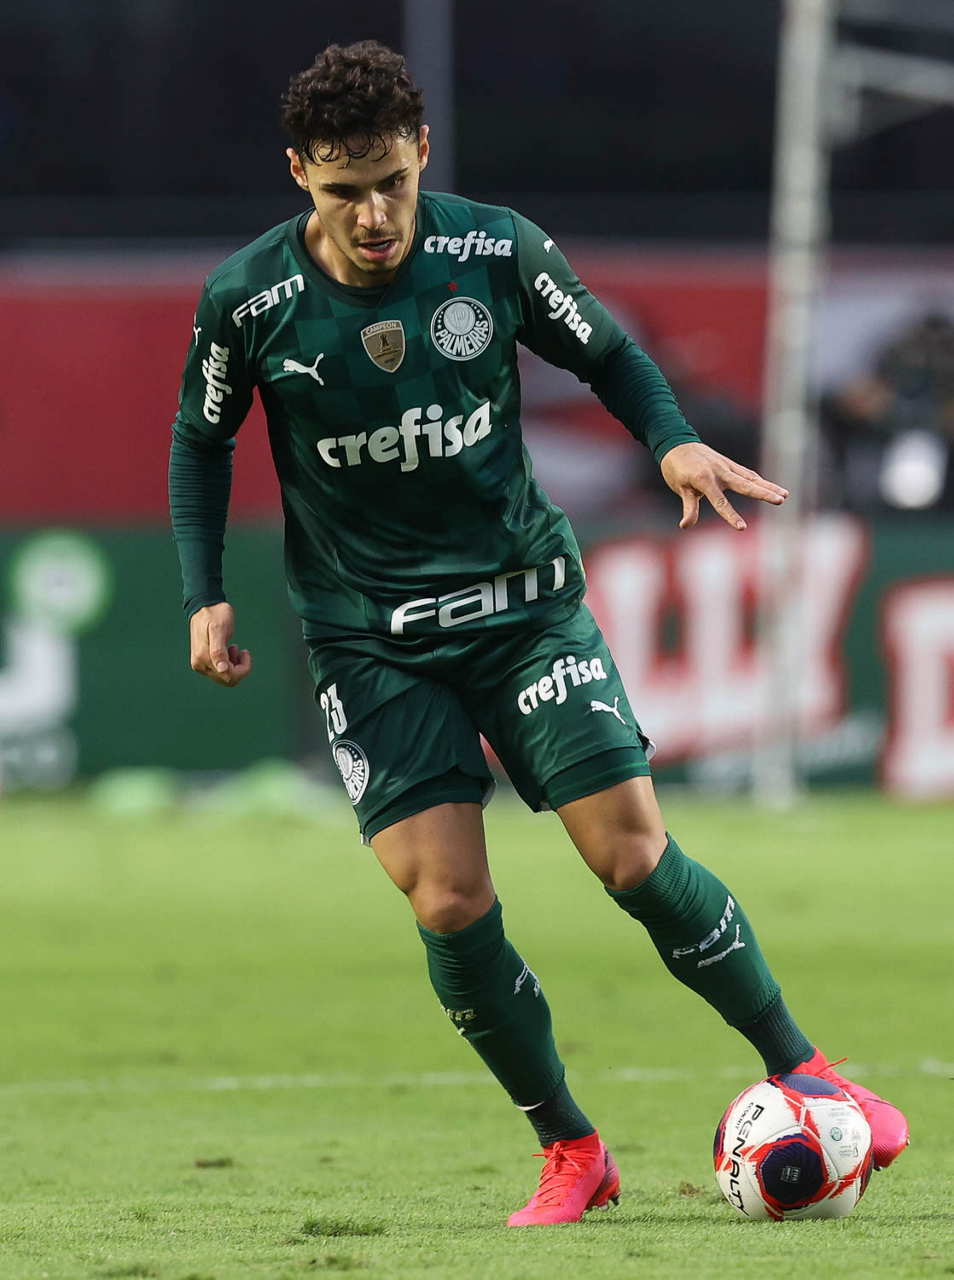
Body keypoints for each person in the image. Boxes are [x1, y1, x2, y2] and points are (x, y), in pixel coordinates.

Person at [169, 41, 909, 1226]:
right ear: (299, 173)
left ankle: (809, 1069)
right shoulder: (247, 300)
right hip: (369, 637)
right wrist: (204, 590)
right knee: (447, 898)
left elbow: (607, 353)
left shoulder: (493, 250)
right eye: (345, 189)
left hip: (523, 607)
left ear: (422, 151)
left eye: (392, 182)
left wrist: (669, 437)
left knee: (629, 853)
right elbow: (201, 442)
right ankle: (572, 1147)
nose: (375, 214)